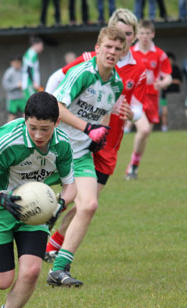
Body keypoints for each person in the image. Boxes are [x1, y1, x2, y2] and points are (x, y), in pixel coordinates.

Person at [0, 92, 76, 308]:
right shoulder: (7, 140)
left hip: (36, 209)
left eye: (45, 129)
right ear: (24, 119)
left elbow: (71, 185)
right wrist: (1, 197)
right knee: (2, 281)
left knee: (31, 271)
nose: (39, 135)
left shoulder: (62, 145)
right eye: (33, 128)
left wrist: (60, 205)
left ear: (56, 124)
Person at [45, 8, 146, 263]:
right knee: (66, 199)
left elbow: (138, 109)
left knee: (86, 203)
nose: (118, 44)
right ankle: (39, 240)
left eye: (127, 35)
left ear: (132, 38)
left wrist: (128, 113)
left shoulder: (135, 70)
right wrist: (42, 110)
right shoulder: (88, 61)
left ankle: (54, 251)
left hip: (106, 143)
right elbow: (58, 78)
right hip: (72, 138)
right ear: (102, 43)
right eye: (116, 35)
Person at [46, 26, 126, 286]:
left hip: (80, 154)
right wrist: (87, 128)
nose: (112, 52)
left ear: (122, 52)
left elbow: (102, 113)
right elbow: (56, 107)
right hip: (52, 148)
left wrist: (98, 133)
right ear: (98, 47)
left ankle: (59, 269)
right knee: (26, 205)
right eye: (108, 47)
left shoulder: (116, 83)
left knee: (89, 205)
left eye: (117, 49)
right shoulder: (83, 72)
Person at [125, 19, 172, 180]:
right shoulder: (130, 52)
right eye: (141, 33)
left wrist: (163, 83)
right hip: (136, 98)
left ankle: (134, 166)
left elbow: (168, 77)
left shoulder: (160, 54)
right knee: (143, 130)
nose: (144, 36)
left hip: (152, 99)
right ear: (136, 35)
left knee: (145, 135)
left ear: (153, 34)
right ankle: (131, 167)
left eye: (147, 33)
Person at [160, 52, 182, 132]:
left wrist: (169, 81)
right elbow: (159, 81)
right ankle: (164, 128)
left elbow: (179, 81)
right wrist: (163, 83)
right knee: (164, 112)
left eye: (170, 59)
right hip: (165, 95)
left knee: (175, 112)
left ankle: (176, 127)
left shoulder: (176, 69)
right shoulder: (162, 69)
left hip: (175, 95)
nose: (169, 61)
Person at [2, 56, 26, 122]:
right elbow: (5, 85)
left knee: (26, 114)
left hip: (22, 97)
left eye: (18, 63)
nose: (16, 64)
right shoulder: (9, 72)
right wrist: (16, 85)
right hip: (12, 98)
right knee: (12, 115)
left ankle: (26, 130)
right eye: (14, 63)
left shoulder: (24, 71)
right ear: (11, 63)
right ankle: (8, 131)